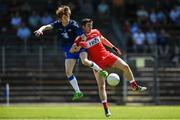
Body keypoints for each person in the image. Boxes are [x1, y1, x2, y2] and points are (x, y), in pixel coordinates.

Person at [70, 18, 147, 117]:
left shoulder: (96, 32)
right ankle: (106, 108)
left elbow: (102, 39)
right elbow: (72, 50)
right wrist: (80, 44)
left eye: (91, 25)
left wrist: (113, 47)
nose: (91, 27)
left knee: (126, 66)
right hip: (97, 63)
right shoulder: (79, 38)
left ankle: (134, 85)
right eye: (88, 25)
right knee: (101, 86)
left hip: (107, 56)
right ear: (83, 27)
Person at [34, 5, 107, 101]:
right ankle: (78, 92)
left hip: (80, 47)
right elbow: (47, 26)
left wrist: (77, 45)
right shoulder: (58, 24)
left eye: (68, 16)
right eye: (65, 17)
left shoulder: (73, 24)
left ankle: (101, 70)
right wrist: (40, 30)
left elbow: (83, 37)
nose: (67, 18)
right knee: (68, 72)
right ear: (61, 18)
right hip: (70, 51)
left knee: (84, 61)